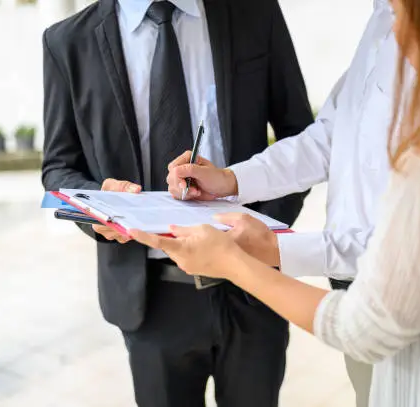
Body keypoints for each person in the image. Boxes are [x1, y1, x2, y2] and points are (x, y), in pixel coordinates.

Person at [131, 0, 420, 405]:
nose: (397, 29)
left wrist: (236, 263)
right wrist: (233, 181)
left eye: (402, 16)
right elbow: (332, 133)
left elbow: (368, 324)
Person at [40, 0, 313, 406]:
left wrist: (262, 234)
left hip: (253, 283)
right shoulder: (67, 41)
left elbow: (299, 136)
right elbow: (59, 167)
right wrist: (97, 207)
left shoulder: (255, 12)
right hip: (151, 297)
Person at [167, 1, 400, 405]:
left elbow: (408, 243)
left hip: (401, 297)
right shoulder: (382, 18)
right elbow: (327, 136)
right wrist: (231, 180)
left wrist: (274, 250)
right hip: (352, 283)